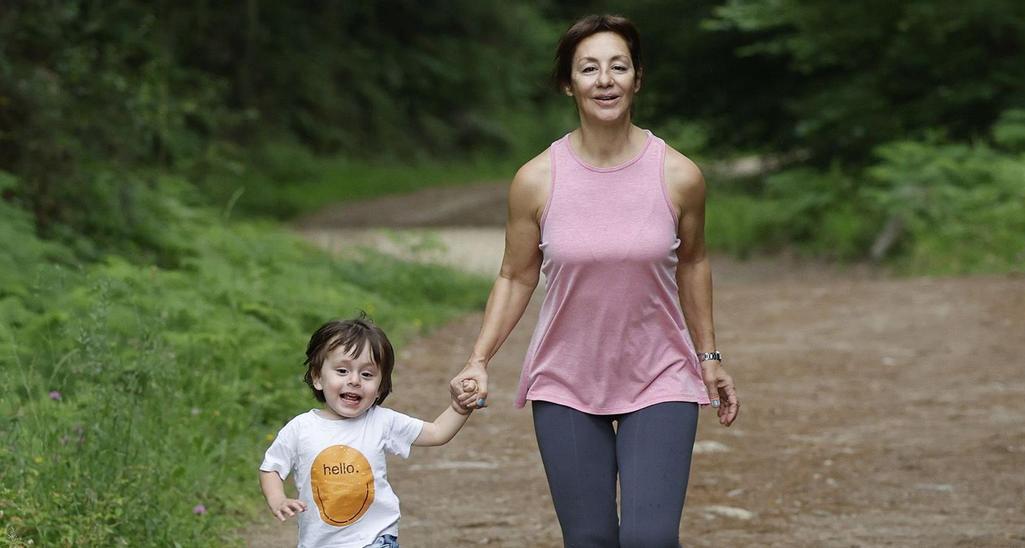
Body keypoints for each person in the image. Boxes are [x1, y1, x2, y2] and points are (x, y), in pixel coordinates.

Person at [447, 14, 740, 547]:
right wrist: (478, 358)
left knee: (649, 538)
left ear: (637, 78)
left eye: (618, 66)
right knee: (591, 541)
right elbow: (515, 275)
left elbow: (694, 263)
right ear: (569, 82)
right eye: (589, 68)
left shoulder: (679, 175)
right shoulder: (536, 180)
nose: (605, 80)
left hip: (661, 375)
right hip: (566, 380)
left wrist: (709, 356)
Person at [258, 313, 474, 548]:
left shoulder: (381, 421)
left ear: (380, 388)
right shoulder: (301, 428)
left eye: (367, 374)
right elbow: (271, 468)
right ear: (318, 377)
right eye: (342, 371)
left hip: (375, 540)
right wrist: (277, 499)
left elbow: (437, 432)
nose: (354, 380)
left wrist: (459, 408)